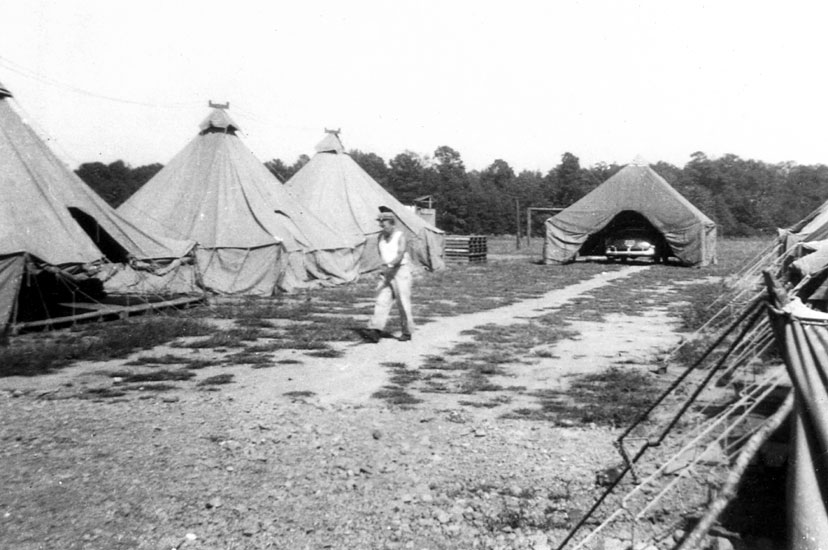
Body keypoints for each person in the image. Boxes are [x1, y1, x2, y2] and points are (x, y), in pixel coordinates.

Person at [365, 208, 414, 342]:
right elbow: (382, 254)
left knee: (403, 302)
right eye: (380, 224)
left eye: (384, 224)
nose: (382, 226)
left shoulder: (400, 236)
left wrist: (391, 264)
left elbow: (400, 253)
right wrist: (385, 267)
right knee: (381, 300)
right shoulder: (380, 237)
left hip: (401, 271)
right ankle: (375, 330)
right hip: (387, 273)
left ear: (392, 223)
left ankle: (407, 332)